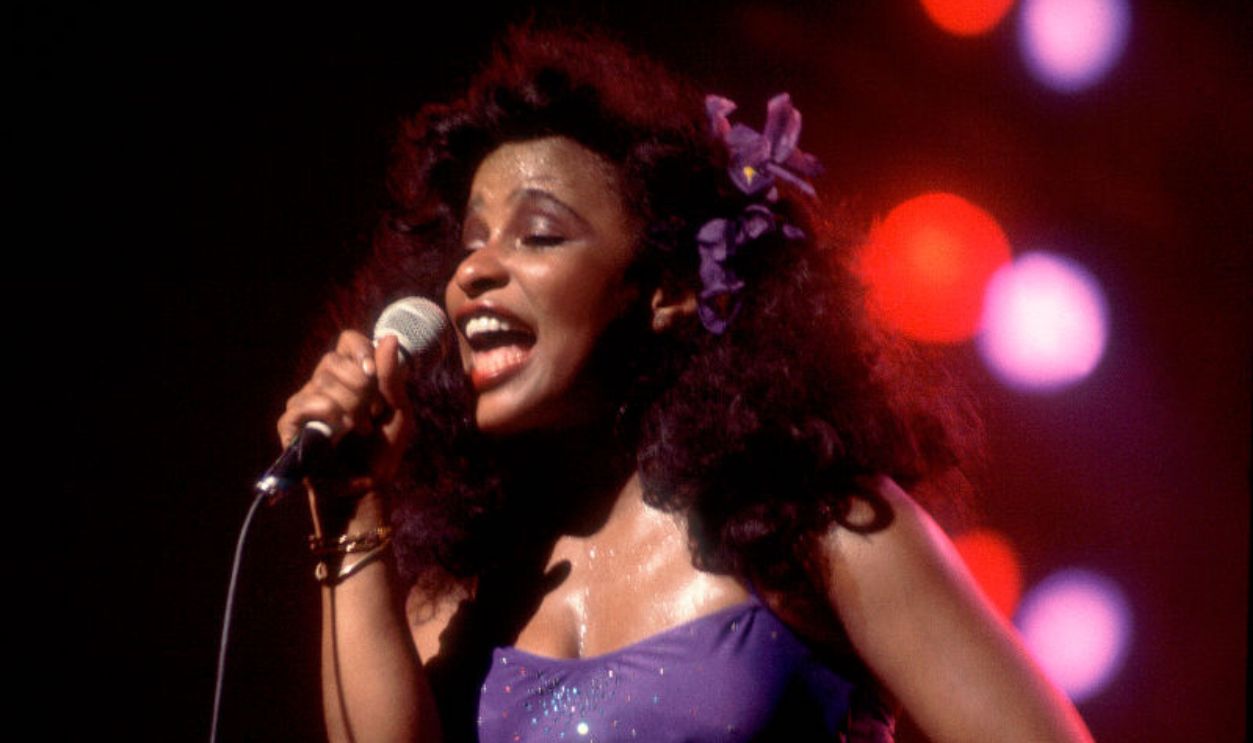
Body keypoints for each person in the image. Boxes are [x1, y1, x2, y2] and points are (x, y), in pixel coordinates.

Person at [277, 26, 1094, 743]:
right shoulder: (452, 601)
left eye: (537, 234)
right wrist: (352, 505)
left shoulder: (817, 531)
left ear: (669, 289)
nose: (473, 274)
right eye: (470, 244)